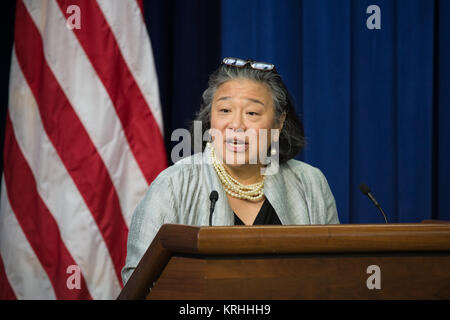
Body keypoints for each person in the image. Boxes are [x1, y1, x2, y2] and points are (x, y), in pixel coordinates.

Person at [121, 57, 339, 285]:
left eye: (252, 113)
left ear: (278, 123)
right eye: (225, 110)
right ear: (210, 117)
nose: (236, 125)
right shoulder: (173, 185)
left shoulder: (310, 183)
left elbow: (335, 275)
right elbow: (138, 281)